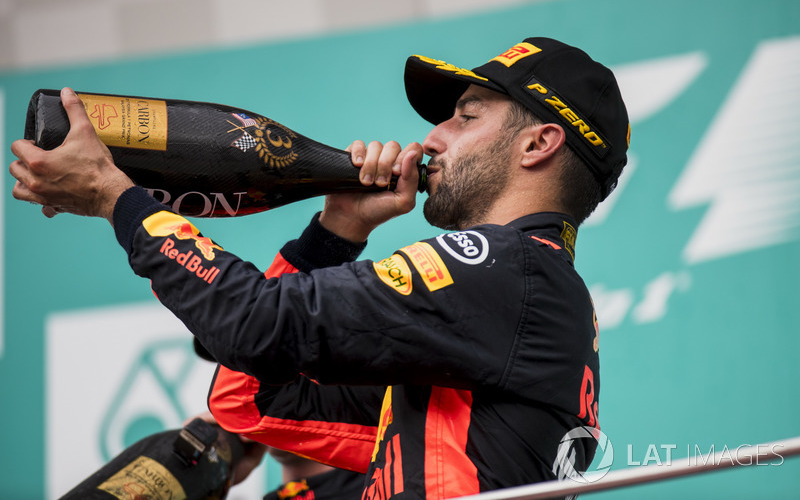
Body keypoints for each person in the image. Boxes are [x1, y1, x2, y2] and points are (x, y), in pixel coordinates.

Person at [10, 36, 630, 498]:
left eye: (466, 116)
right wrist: (338, 230)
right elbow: (251, 400)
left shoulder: (509, 267)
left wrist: (115, 196)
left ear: (539, 143)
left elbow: (252, 322)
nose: (432, 138)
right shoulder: (509, 309)